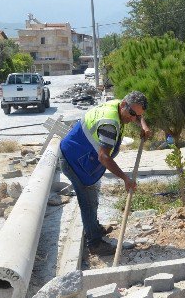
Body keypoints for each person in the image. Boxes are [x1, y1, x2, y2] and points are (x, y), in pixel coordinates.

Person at [59, 91, 152, 256]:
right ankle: (94, 243)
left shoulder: (120, 105)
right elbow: (103, 157)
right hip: (74, 160)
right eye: (131, 114)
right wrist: (125, 178)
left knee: (92, 197)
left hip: (81, 155)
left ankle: (94, 228)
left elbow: (136, 114)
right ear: (124, 105)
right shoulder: (109, 124)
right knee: (87, 201)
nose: (133, 119)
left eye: (137, 116)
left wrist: (143, 125)